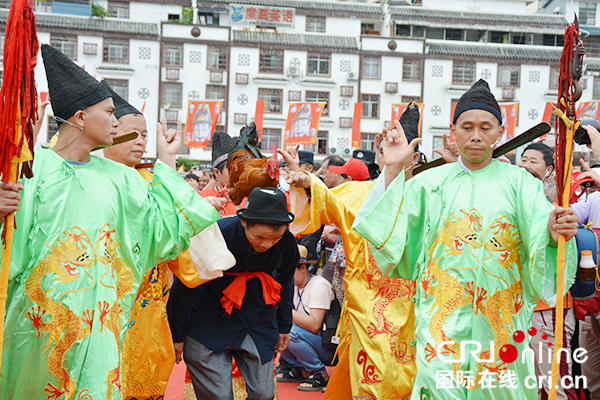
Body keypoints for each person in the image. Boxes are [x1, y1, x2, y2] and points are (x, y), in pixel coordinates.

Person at [0, 44, 223, 399]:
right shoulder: (32, 169)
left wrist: (166, 159)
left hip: (103, 325)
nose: (117, 122)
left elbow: (164, 226)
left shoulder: (122, 179)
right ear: (81, 117)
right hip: (38, 325)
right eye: (108, 112)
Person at [354, 79, 579, 399]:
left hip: (500, 320)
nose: (476, 135)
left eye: (485, 127)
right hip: (442, 322)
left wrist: (555, 233)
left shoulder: (521, 185)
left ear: (500, 132)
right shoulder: (428, 184)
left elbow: (542, 231)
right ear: (453, 130)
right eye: (467, 126)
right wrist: (393, 168)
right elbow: (391, 238)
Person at [101, 80, 234, 399]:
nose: (140, 142)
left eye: (144, 135)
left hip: (147, 308)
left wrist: (169, 163)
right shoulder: (89, 177)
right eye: (131, 133)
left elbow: (181, 242)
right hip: (100, 303)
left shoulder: (153, 179)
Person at [281, 103, 423, 399]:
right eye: (386, 149)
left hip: (416, 304)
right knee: (370, 379)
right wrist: (306, 182)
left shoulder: (428, 194)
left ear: (416, 156)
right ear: (380, 155)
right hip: (365, 303)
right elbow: (324, 205)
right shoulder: (358, 193)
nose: (392, 156)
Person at [167, 187, 300, 400]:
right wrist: (177, 334)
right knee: (218, 396)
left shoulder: (286, 243)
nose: (267, 244)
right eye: (260, 237)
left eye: (275, 238)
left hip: (258, 315)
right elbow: (185, 284)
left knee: (264, 394)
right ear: (244, 222)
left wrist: (284, 325)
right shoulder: (217, 234)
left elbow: (285, 282)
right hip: (209, 314)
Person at [518, 143, 577, 400]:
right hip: (516, 310)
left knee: (555, 386)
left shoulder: (553, 210)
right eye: (523, 161)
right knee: (524, 384)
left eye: (533, 162)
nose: (526, 167)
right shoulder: (512, 204)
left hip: (547, 312)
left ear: (548, 170)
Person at [277, 245, 336, 391]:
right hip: (313, 339)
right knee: (278, 324)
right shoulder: (296, 285)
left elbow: (315, 325)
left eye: (290, 270)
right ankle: (300, 369)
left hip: (330, 348)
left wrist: (284, 310)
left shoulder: (318, 285)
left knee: (287, 329)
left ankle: (320, 374)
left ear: (303, 268)